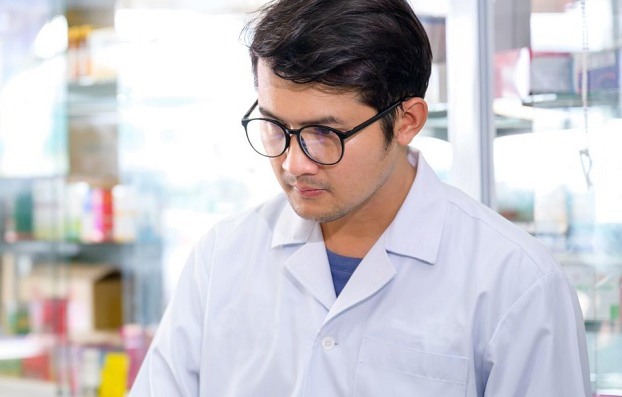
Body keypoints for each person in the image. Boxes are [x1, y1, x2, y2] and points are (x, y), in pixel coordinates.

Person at [129, 0, 591, 396]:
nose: (294, 164)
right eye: (275, 127)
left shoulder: (516, 284)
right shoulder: (222, 257)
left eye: (324, 133)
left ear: (407, 120)